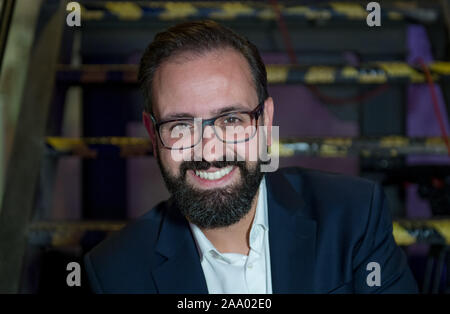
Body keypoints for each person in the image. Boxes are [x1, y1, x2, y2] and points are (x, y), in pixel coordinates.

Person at [84, 20, 418, 294]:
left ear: (266, 120)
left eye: (231, 120)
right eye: (181, 126)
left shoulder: (354, 216)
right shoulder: (113, 274)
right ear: (152, 134)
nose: (210, 152)